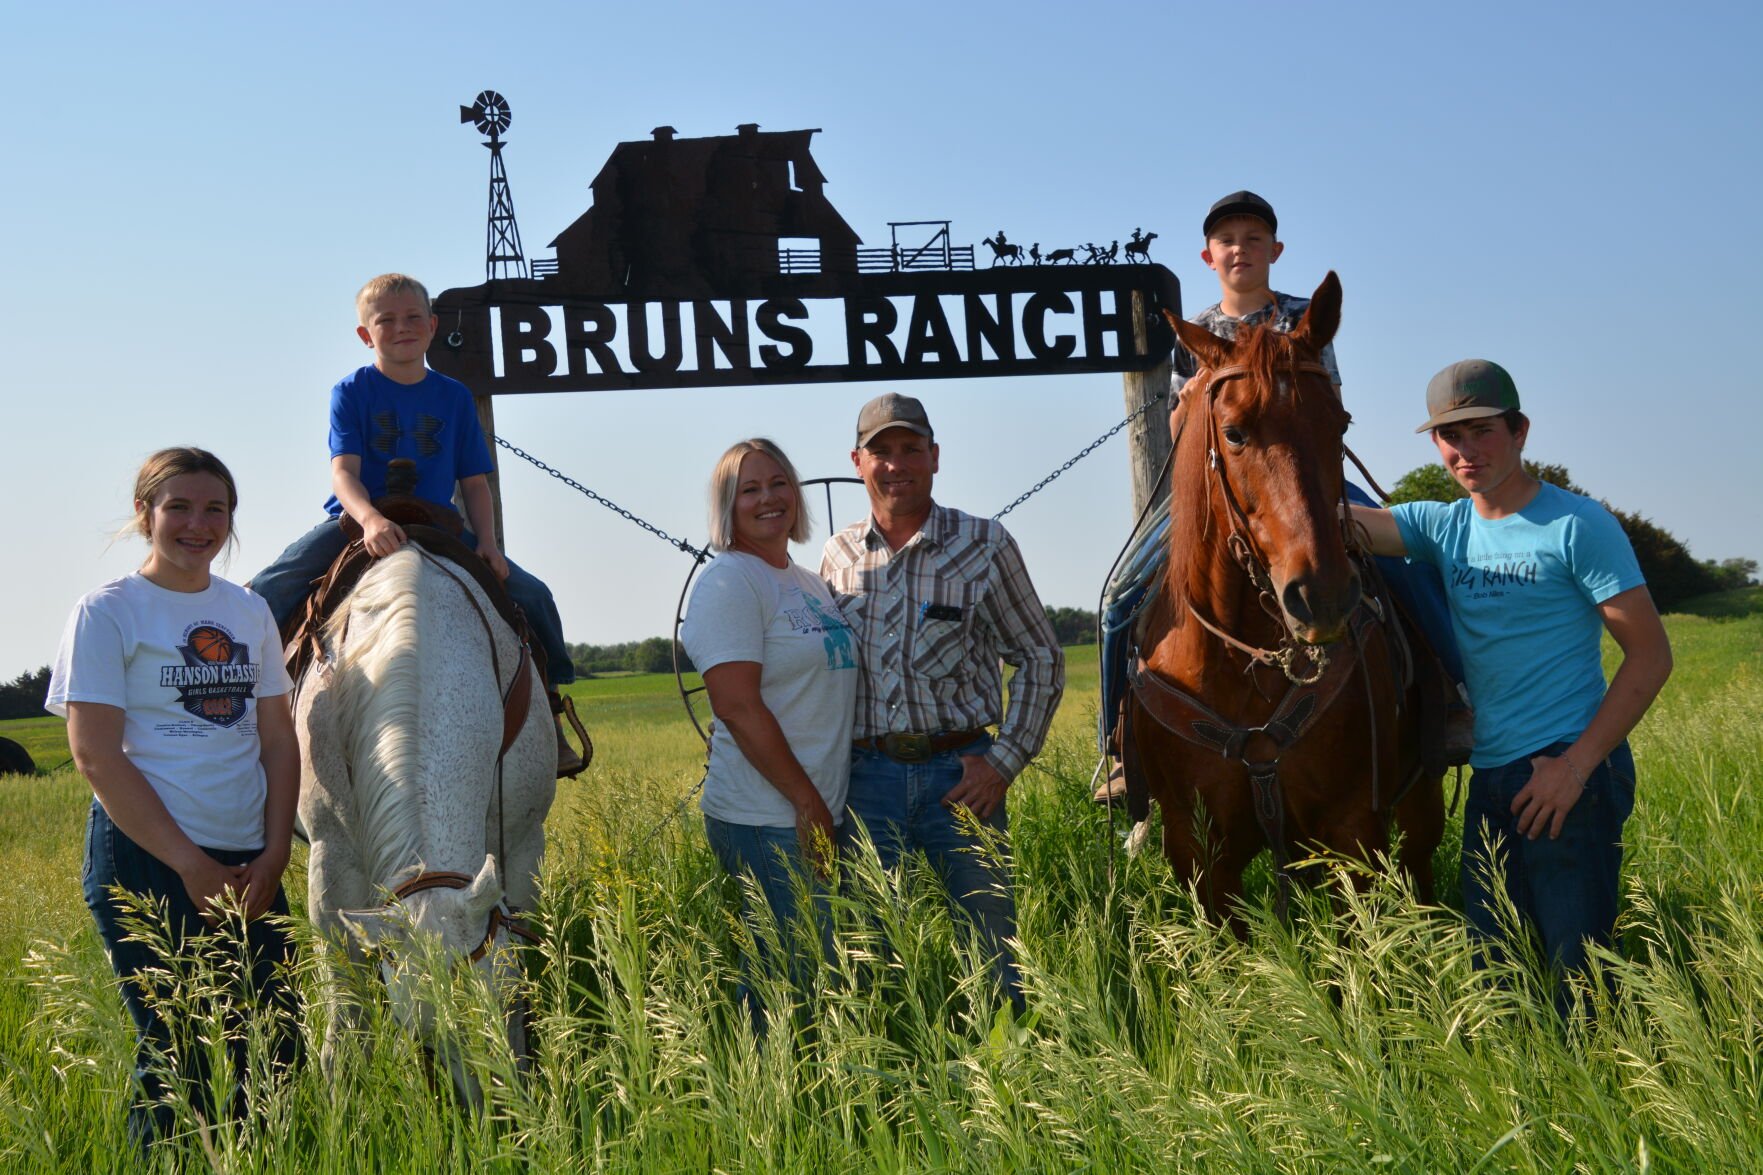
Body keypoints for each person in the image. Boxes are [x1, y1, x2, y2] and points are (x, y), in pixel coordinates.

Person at [1098, 190, 1467, 795]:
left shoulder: (1302, 317)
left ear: (1275, 250)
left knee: (1405, 563)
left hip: (1304, 468)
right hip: (1219, 483)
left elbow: (1329, 405)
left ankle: (1452, 694)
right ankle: (1118, 738)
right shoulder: (1196, 333)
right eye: (1227, 241)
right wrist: (1190, 407)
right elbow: (1174, 435)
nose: (1239, 249)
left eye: (1252, 238)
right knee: (1121, 591)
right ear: (1207, 256)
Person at [1350, 360, 1672, 1011]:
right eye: (1449, 436)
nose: (1464, 451)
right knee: (1499, 984)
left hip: (1567, 773)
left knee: (1576, 983)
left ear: (1518, 429)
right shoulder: (1445, 528)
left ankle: (1598, 1102)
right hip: (1493, 779)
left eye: (1480, 431)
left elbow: (1649, 656)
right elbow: (1327, 523)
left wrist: (1575, 767)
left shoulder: (1575, 525)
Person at [47, 448, 301, 1149]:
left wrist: (276, 851)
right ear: (145, 515)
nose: (199, 523)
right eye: (179, 507)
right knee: (180, 1053)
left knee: (275, 1047)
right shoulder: (109, 612)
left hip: (249, 859)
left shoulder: (247, 609)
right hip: (147, 858)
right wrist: (190, 864)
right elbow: (94, 752)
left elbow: (278, 738)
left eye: (215, 508)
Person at [248, 273, 582, 774]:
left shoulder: (453, 397)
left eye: (411, 319)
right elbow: (344, 472)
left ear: (431, 327)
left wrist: (488, 544)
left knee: (534, 596)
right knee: (265, 591)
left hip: (438, 521)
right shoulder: (353, 391)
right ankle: (242, 714)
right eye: (386, 320)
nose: (400, 328)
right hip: (358, 521)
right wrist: (370, 520)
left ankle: (549, 709)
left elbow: (474, 483)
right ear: (366, 335)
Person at [821, 393, 1064, 1011]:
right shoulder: (837, 556)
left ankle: (1006, 1076)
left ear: (935, 458)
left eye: (910, 449)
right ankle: (888, 1074)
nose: (896, 464)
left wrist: (1004, 762)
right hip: (866, 778)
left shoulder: (983, 544)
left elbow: (1040, 656)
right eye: (881, 452)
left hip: (962, 777)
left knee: (992, 947)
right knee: (868, 947)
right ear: (857, 461)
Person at [680, 439, 858, 1032]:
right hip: (766, 814)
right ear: (727, 507)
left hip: (812, 807)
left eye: (778, 483)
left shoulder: (806, 581)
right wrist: (806, 802)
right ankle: (765, 1105)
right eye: (749, 489)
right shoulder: (730, 582)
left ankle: (787, 1100)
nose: (768, 499)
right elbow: (736, 705)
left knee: (808, 966)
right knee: (789, 973)